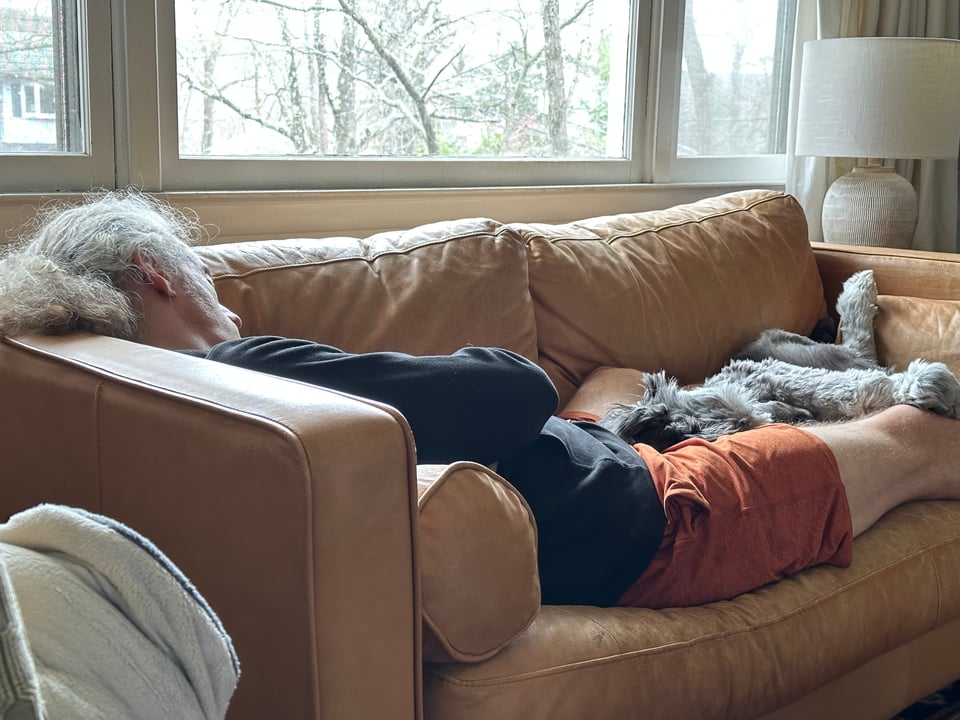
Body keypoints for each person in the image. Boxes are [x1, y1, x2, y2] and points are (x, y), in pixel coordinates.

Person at [2, 190, 958, 609]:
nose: (224, 288)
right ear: (156, 276)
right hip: (658, 520)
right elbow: (507, 388)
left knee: (619, 378)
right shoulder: (255, 370)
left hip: (572, 471)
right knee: (916, 433)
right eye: (200, 273)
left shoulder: (155, 406)